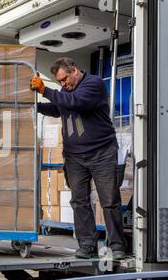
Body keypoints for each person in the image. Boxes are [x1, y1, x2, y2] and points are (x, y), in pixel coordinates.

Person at [31, 57, 126, 260]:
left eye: (64, 79)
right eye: (59, 82)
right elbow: (58, 109)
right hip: (75, 156)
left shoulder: (94, 84)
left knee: (109, 201)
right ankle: (87, 245)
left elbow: (75, 103)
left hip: (102, 152)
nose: (63, 84)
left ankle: (117, 246)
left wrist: (45, 90)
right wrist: (35, 105)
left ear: (74, 70)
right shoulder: (66, 92)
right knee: (79, 201)